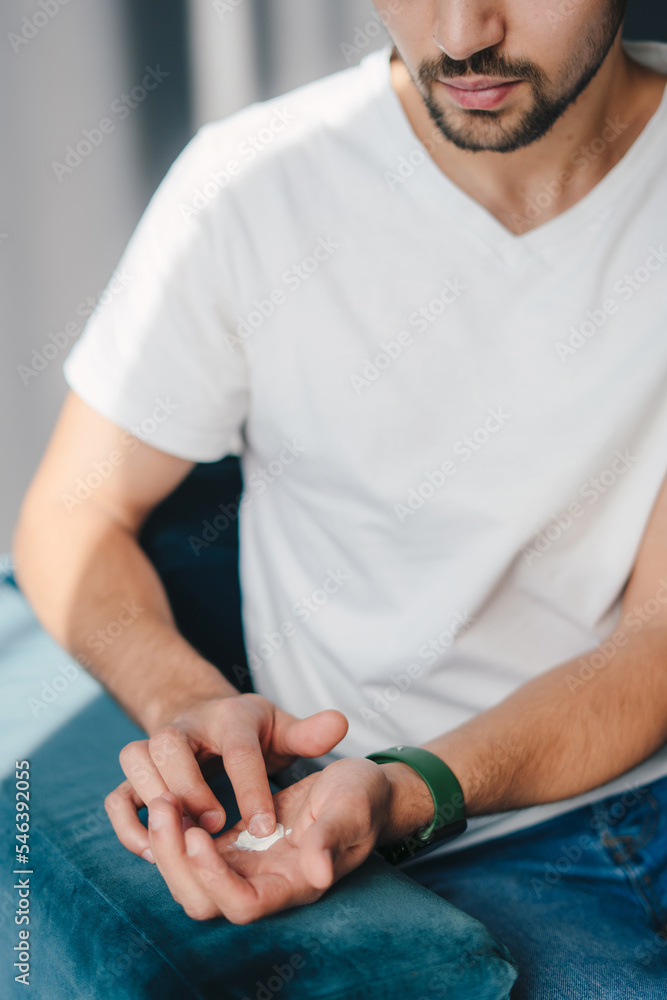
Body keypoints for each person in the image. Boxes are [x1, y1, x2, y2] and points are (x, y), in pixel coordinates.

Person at [12, 1, 667, 996]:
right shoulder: (253, 189)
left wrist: (411, 790)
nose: (459, 35)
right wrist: (184, 698)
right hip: (430, 844)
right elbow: (72, 516)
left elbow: (652, 645)